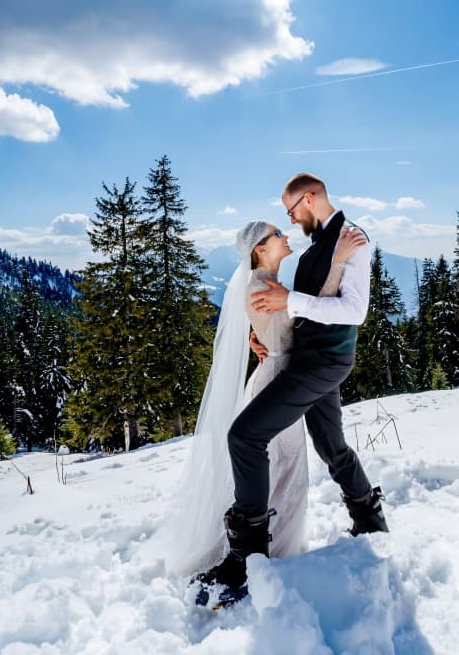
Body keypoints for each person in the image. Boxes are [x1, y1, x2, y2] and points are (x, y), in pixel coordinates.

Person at [194, 172, 390, 600]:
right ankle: (370, 520)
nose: (289, 221)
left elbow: (354, 311)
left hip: (322, 362)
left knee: (245, 436)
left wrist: (288, 303)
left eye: (289, 211)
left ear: (308, 199)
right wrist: (263, 334)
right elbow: (295, 309)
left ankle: (246, 558)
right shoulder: (319, 245)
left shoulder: (352, 238)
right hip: (305, 358)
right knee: (330, 445)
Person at [160, 215, 367, 582]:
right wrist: (337, 263)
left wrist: (261, 339)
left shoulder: (266, 283)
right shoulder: (261, 286)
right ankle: (260, 555)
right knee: (282, 466)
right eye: (277, 234)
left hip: (282, 375)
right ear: (260, 249)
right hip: (277, 380)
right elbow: (310, 318)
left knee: (284, 467)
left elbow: (278, 325)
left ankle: (266, 551)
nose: (285, 236)